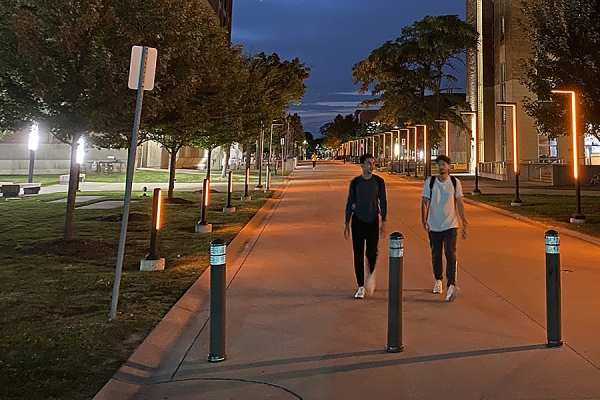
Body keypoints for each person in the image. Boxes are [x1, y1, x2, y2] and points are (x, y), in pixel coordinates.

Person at [421, 155, 468, 302]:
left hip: (450, 224)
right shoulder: (431, 182)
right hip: (434, 224)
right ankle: (438, 280)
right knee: (436, 254)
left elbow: (460, 202)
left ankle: (451, 285)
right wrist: (424, 220)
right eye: (439, 164)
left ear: (449, 166)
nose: (441, 167)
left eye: (444, 164)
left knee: (451, 254)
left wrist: (464, 221)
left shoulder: (455, 182)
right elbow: (424, 202)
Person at [344, 153, 387, 299]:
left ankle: (371, 272)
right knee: (357, 254)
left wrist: (384, 221)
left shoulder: (379, 182)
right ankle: (361, 286)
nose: (371, 166)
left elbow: (383, 201)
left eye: (373, 163)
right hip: (358, 221)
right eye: (368, 163)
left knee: (372, 252)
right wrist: (346, 223)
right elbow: (350, 202)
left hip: (373, 220)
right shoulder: (355, 183)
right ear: (362, 165)